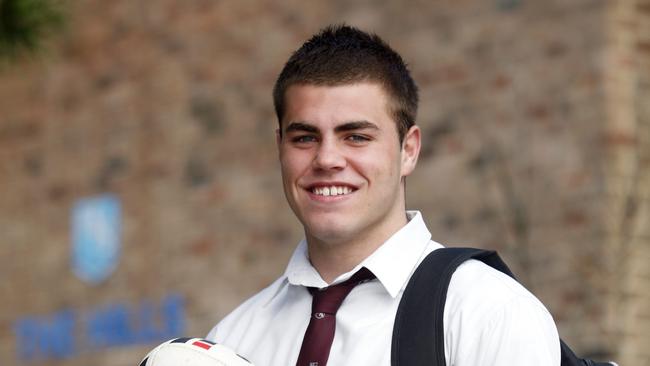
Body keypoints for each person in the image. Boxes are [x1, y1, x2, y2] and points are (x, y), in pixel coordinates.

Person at [207, 25, 560, 366]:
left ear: (409, 150)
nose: (327, 159)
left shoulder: (486, 314)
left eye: (356, 137)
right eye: (304, 138)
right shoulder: (232, 341)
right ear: (279, 147)